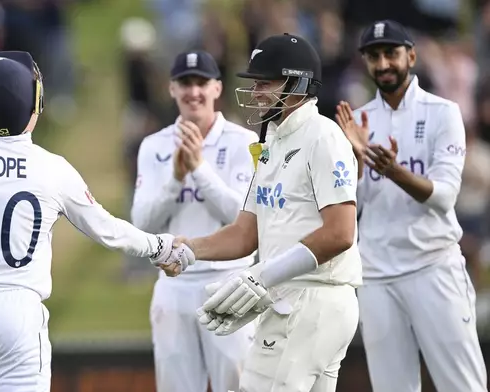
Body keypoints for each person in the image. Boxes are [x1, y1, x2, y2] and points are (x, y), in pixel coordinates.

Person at [0, 51, 195, 392]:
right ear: (34, 103)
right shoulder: (51, 167)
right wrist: (160, 247)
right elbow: (106, 229)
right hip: (18, 311)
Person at [164, 34, 362, 392]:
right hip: (286, 300)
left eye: (265, 83)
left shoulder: (323, 137)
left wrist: (262, 275)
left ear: (299, 82)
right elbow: (245, 233)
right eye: (255, 83)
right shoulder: (271, 142)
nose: (255, 92)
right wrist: (189, 249)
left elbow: (340, 234)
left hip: (314, 299)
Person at [335, 20, 487, 392]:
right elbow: (352, 205)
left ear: (412, 56)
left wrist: (392, 170)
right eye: (374, 56)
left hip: (432, 267)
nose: (383, 63)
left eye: (391, 53)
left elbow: (442, 196)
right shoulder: (359, 121)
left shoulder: (443, 113)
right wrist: (355, 157)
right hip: (377, 275)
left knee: (462, 385)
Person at [131, 50, 258, 392]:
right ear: (171, 89)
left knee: (237, 384)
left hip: (230, 282)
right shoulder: (153, 146)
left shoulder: (244, 142)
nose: (193, 92)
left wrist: (200, 169)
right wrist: (175, 178)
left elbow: (243, 219)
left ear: (217, 88)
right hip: (173, 285)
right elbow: (141, 223)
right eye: (185, 83)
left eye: (201, 82)